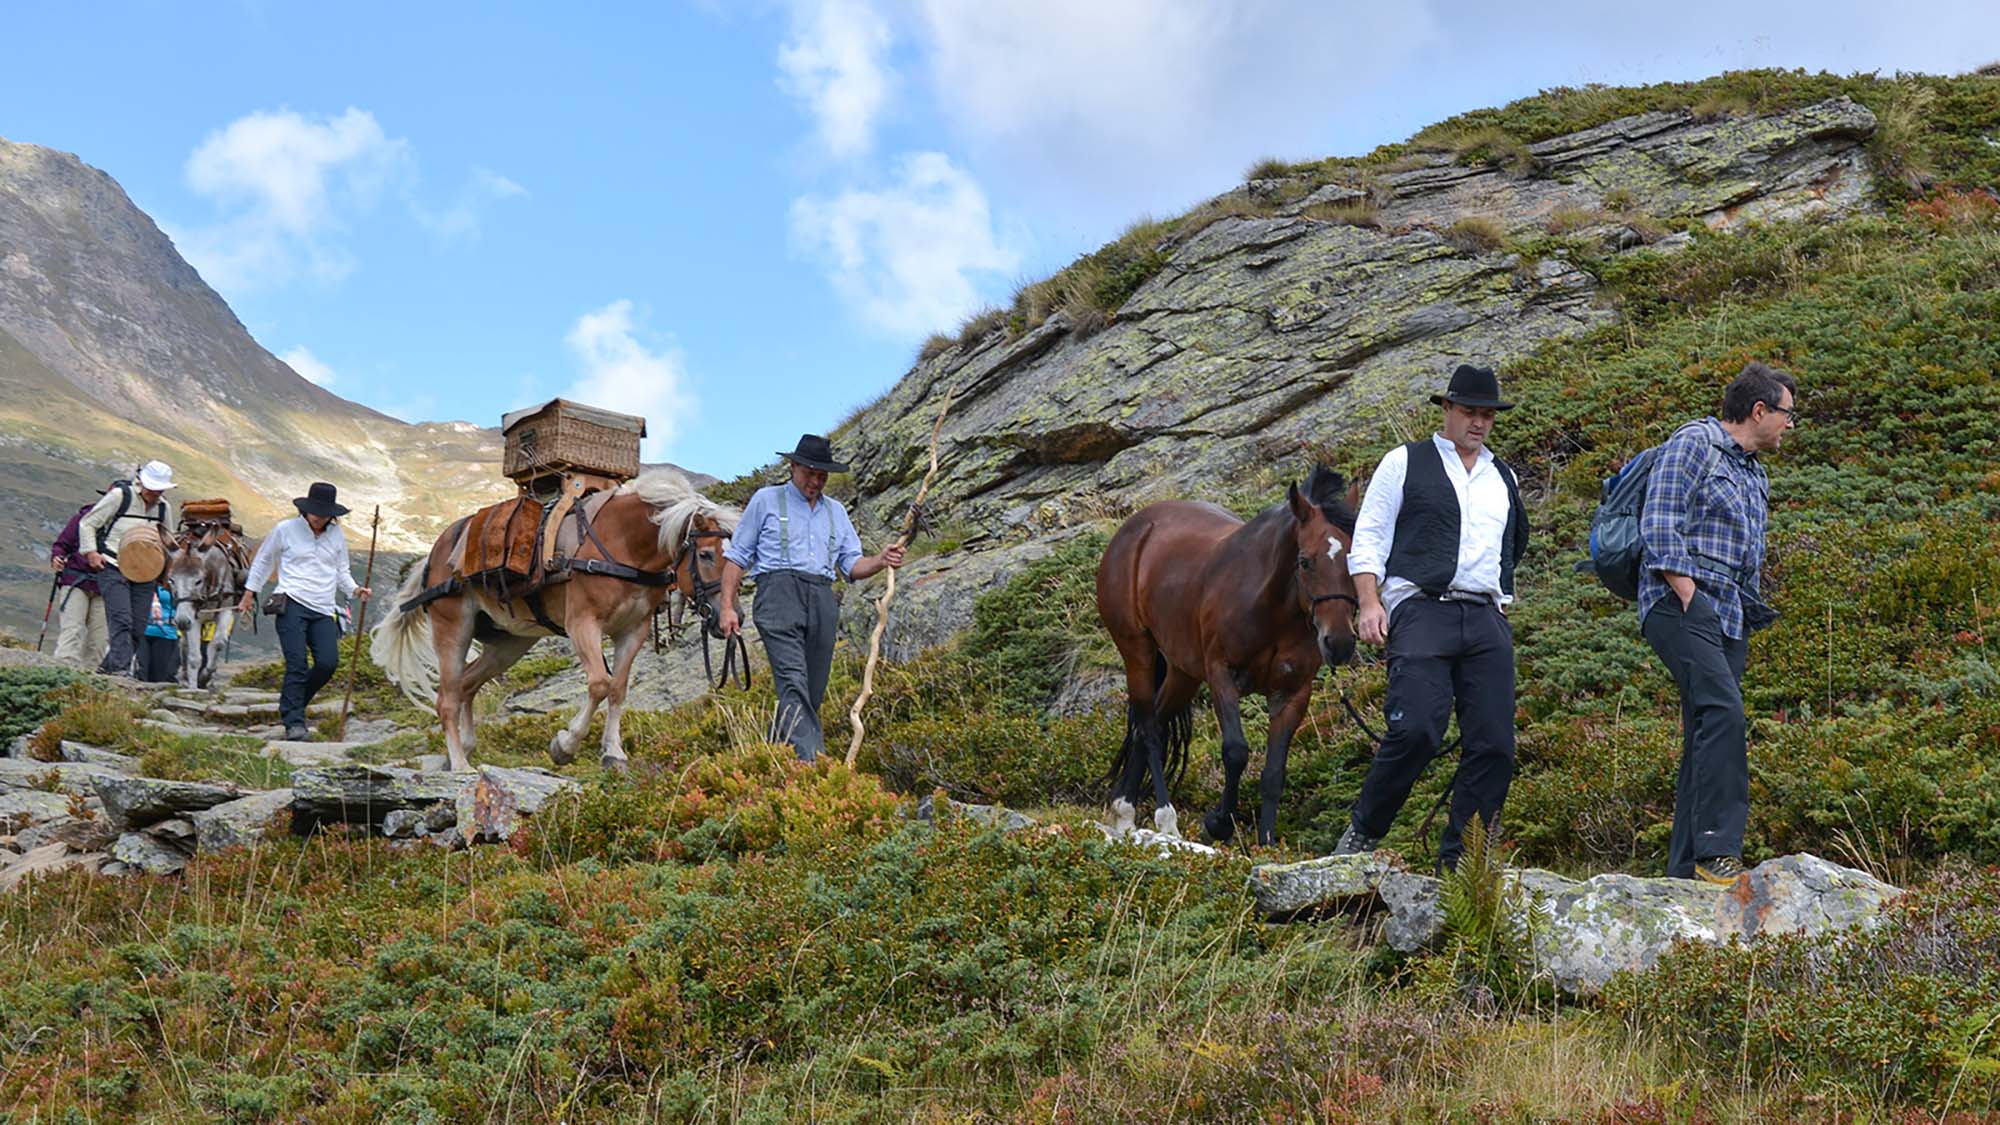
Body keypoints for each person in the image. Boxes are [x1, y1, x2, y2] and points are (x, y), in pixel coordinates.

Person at [1334, 364, 1529, 871]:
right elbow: (1369, 536)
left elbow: (1513, 544)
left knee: (1495, 745)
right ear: (1446, 409)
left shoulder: (1503, 477)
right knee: (1417, 729)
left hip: (1485, 615)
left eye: (1488, 415)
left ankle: (1462, 865)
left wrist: (1501, 602)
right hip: (1421, 608)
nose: (1479, 423)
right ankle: (1363, 832)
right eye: (1469, 412)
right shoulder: (1404, 462)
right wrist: (1370, 602)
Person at [1639, 361, 1795, 885]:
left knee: (1706, 728)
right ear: (1759, 410)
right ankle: (1717, 852)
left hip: (1731, 616)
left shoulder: (1755, 472)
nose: (1789, 424)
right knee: (1724, 711)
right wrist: (1690, 596)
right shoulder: (1694, 443)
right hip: (1680, 602)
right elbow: (1660, 522)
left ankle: (1684, 871)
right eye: (1787, 414)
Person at [715, 435, 906, 762]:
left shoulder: (837, 512)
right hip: (778, 595)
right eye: (809, 473)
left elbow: (851, 564)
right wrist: (727, 607)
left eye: (822, 475)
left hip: (822, 597)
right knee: (793, 682)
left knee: (812, 691)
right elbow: (737, 558)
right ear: (793, 467)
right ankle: (813, 767)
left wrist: (880, 560)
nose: (815, 481)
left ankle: (774, 760)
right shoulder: (766, 500)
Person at [236, 482, 371, 741]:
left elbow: (341, 570)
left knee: (327, 663)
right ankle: (294, 723)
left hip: (323, 608)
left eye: (325, 513)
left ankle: (292, 704)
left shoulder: (336, 535)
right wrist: (249, 592)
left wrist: (355, 589)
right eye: (315, 512)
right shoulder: (285, 530)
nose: (319, 517)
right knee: (297, 664)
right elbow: (264, 560)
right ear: (305, 509)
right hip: (291, 602)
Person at [76, 460, 175, 678]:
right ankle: (121, 670)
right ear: (142, 483)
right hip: (113, 566)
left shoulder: (163, 508)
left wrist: (165, 570)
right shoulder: (120, 497)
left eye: (159, 489)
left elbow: (167, 538)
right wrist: (91, 553)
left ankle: (106, 670)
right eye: (152, 488)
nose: (155, 493)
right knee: (121, 619)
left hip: (146, 572)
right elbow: (88, 523)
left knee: (138, 626)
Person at [49, 502, 109, 668]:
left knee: (99, 639)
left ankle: (90, 676)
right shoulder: (83, 517)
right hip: (77, 581)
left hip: (106, 586)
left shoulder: (128, 522)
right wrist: (57, 557)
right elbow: (62, 544)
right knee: (72, 629)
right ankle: (63, 670)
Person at [140, 586, 181, 683]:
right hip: (142, 630)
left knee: (159, 676)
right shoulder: (145, 581)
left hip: (166, 632)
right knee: (141, 673)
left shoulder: (177, 583)